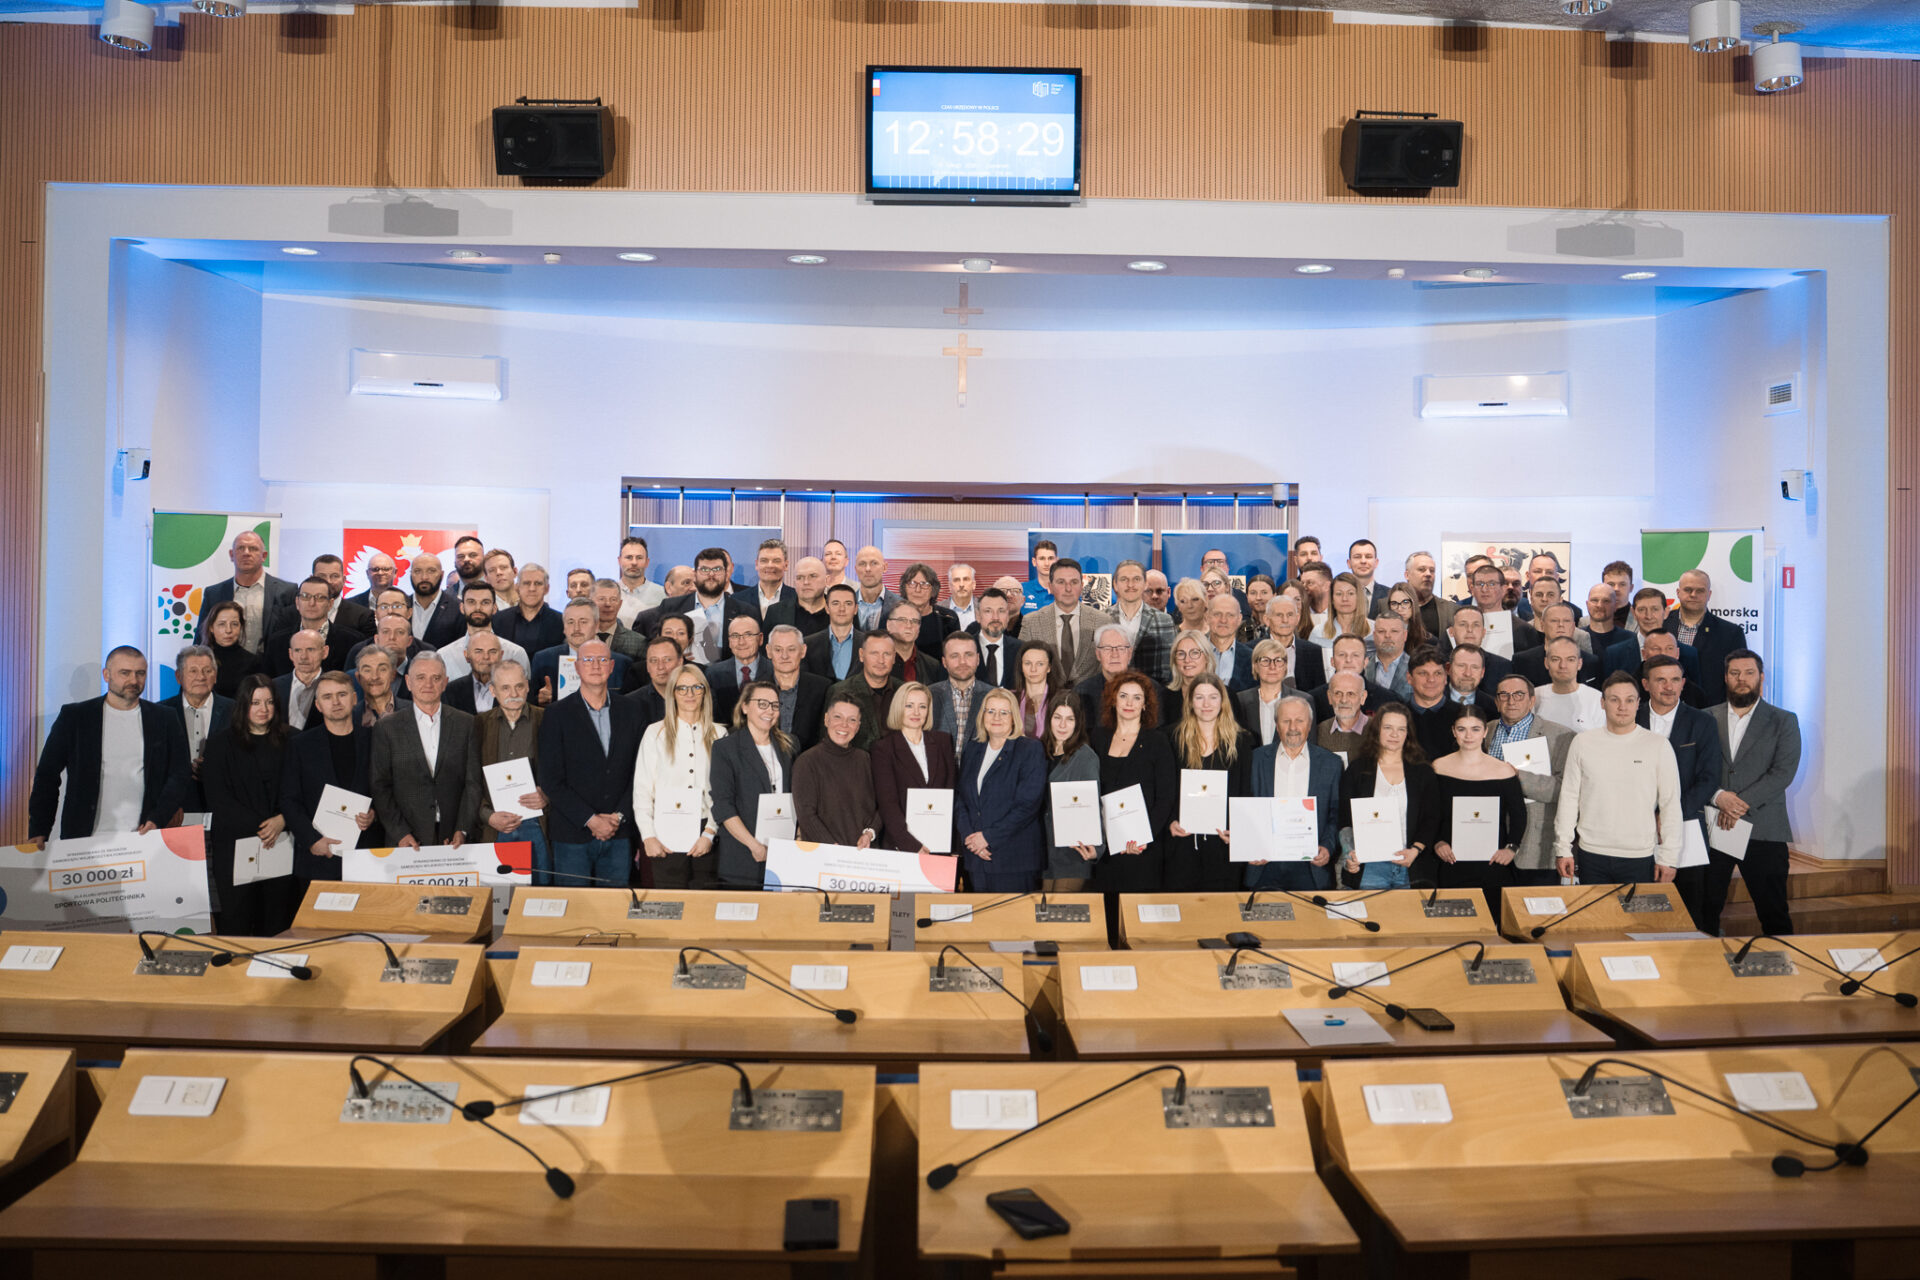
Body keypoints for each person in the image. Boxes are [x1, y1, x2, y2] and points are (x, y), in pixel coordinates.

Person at [28, 646, 191, 845]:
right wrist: (39, 829)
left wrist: (158, 817)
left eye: (140, 673)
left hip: (144, 839)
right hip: (83, 839)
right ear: (106, 675)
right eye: (125, 673)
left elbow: (179, 773)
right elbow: (47, 775)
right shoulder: (75, 717)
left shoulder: (165, 718)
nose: (133, 680)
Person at [1553, 671, 1682, 885]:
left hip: (1639, 855)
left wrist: (1669, 857)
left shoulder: (1658, 745)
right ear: (1602, 703)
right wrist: (1562, 847)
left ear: (1638, 703)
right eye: (1614, 700)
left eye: (1629, 700)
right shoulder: (1583, 743)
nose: (1622, 707)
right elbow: (1569, 797)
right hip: (1591, 853)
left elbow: (1670, 804)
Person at [1706, 650, 1801, 937]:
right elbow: (1695, 769)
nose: (1742, 679)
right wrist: (1719, 796)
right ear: (1726, 678)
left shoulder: (1783, 720)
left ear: (1761, 678)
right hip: (1714, 826)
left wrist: (1738, 804)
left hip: (1764, 829)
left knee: (1774, 914)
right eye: (1735, 673)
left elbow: (1783, 772)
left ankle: (1782, 964)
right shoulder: (1705, 717)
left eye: (1749, 673)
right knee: (1705, 911)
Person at [538, 639, 646, 888]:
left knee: (614, 908)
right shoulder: (556, 714)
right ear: (576, 667)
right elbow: (551, 779)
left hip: (619, 832)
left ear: (611, 666)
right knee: (575, 908)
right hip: (572, 834)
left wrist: (618, 816)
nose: (595, 666)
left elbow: (641, 772)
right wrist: (590, 819)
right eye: (588, 660)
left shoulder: (632, 710)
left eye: (602, 660)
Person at [200, 674, 296, 935]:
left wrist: (283, 820)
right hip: (234, 847)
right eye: (255, 702)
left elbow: (301, 791)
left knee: (277, 924)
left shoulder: (294, 740)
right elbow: (218, 798)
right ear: (243, 705)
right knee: (236, 923)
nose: (263, 709)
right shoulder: (219, 744)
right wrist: (264, 826)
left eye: (269, 702)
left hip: (282, 843)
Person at [1636, 653, 1725, 931]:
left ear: (1683, 683)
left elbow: (1709, 778)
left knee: (1689, 908)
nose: (1669, 686)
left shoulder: (1703, 721)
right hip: (1635, 826)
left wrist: (1669, 816)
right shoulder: (1631, 717)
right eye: (1660, 680)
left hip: (1687, 826)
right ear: (1645, 684)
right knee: (1639, 906)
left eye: (1675, 680)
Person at [281, 670, 382, 892]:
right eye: (327, 697)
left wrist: (374, 813)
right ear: (318, 705)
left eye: (342, 695)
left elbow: (385, 789)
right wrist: (312, 840)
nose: (335, 702)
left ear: (354, 699)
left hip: (366, 857)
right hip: (318, 858)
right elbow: (289, 800)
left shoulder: (374, 739)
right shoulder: (300, 745)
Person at [369, 653, 480, 851]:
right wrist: (400, 833)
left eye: (436, 678)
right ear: (408, 682)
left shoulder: (466, 723)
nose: (428, 684)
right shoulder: (387, 728)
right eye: (420, 677)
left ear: (445, 683)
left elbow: (472, 783)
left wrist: (462, 829)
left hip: (454, 839)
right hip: (407, 840)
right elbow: (380, 786)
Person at [632, 662, 724, 889]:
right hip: (665, 832)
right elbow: (642, 790)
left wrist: (709, 833)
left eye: (696, 687)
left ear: (705, 692)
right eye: (682, 688)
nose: (689, 694)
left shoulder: (719, 734)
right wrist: (648, 836)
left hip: (707, 831)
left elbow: (723, 792)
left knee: (704, 903)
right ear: (672, 693)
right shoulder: (655, 733)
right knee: (671, 903)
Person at [1429, 705, 1527, 917]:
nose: (1468, 736)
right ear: (1453, 731)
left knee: (1493, 922)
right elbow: (1430, 813)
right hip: (1451, 860)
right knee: (1453, 924)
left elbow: (1519, 815)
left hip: (1493, 862)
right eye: (1461, 729)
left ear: (1485, 732)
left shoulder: (1504, 770)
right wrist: (1438, 842)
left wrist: (1511, 848)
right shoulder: (1438, 767)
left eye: (1475, 729)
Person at [1089, 672, 1179, 895]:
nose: (1129, 703)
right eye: (1123, 696)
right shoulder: (1097, 738)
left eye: (1137, 697)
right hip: (1106, 848)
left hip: (1143, 849)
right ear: (1113, 700)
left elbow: (1166, 797)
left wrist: (1143, 836)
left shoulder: (1157, 741)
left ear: (1145, 704)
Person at [1163, 672, 1253, 892]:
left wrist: (1238, 830)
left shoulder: (1242, 741)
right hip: (1182, 844)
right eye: (1199, 697)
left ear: (1223, 702)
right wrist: (1170, 822)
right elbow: (1165, 790)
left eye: (1213, 697)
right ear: (1190, 702)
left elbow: (1245, 792)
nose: (1206, 704)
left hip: (1223, 845)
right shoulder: (1171, 738)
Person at [1245, 694, 1342, 892]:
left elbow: (1336, 813)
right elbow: (1245, 807)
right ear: (1276, 725)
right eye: (1286, 721)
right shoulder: (1255, 760)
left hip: (1311, 866)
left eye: (1299, 720)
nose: (1293, 728)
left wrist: (1327, 847)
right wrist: (1250, 845)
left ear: (1310, 724)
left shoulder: (1331, 763)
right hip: (1265, 864)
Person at [955, 687, 1048, 892]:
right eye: (991, 711)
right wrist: (970, 839)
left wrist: (987, 837)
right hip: (976, 858)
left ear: (1014, 717)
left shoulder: (1029, 750)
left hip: (1013, 859)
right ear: (982, 715)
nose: (996, 717)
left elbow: (1027, 806)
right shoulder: (972, 749)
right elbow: (961, 799)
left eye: (1004, 712)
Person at [1488, 674, 1575, 887]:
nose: (1511, 701)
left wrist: (1517, 777)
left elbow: (1564, 789)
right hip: (1490, 841)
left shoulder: (1560, 736)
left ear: (1532, 700)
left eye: (1519, 694)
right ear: (1496, 702)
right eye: (1504, 695)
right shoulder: (1485, 731)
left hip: (1535, 847)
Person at [709, 679, 797, 888]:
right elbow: (723, 806)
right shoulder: (725, 748)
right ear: (745, 707)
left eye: (774, 705)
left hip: (782, 853)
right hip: (742, 854)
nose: (770, 711)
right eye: (762, 704)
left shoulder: (789, 745)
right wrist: (754, 845)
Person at [474, 659, 549, 884]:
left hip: (538, 823)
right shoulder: (478, 725)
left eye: (519, 686)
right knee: (498, 896)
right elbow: (469, 780)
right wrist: (487, 815)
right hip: (495, 825)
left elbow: (562, 771)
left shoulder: (547, 719)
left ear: (527, 687)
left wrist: (547, 795)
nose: (513, 694)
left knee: (541, 893)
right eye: (505, 688)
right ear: (493, 690)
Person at [871, 683, 958, 853]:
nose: (916, 712)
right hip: (901, 846)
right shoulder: (883, 748)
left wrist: (949, 841)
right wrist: (912, 846)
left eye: (922, 706)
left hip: (939, 843)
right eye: (909, 706)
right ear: (898, 708)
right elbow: (888, 804)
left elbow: (950, 793)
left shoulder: (943, 742)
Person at [793, 693, 882, 847]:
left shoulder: (865, 760)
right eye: (838, 717)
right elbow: (806, 815)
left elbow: (883, 804)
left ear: (858, 726)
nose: (844, 725)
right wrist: (832, 847)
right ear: (826, 719)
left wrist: (870, 833)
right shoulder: (807, 762)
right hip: (824, 854)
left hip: (865, 852)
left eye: (852, 720)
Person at [194, 530, 295, 652]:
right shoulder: (213, 594)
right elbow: (202, 638)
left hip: (273, 663)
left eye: (253, 548)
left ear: (264, 556)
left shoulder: (287, 591)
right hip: (226, 663)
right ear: (231, 555)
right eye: (240, 548)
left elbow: (294, 635)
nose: (246, 553)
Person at [1041, 696, 1103, 892]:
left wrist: (1097, 848)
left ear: (1078, 723)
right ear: (1048, 718)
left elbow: (1094, 805)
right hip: (1041, 852)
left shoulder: (1086, 757)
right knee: (1041, 909)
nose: (1062, 725)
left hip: (1073, 853)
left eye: (1070, 719)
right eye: (1057, 717)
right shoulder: (1038, 750)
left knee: (1061, 908)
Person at [161, 644, 232, 812]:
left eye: (207, 671)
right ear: (178, 676)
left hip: (223, 805)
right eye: (193, 671)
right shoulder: (162, 713)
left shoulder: (235, 710)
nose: (201, 677)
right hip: (175, 807)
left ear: (215, 676)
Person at [1024, 558, 1114, 688]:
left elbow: (1109, 666)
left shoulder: (1103, 621)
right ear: (1050, 587)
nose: (1068, 588)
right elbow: (1022, 666)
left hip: (1090, 698)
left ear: (1082, 586)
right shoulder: (1031, 622)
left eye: (1074, 582)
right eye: (1061, 582)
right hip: (1045, 698)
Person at [1663, 570, 1743, 707]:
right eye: (1688, 590)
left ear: (1709, 595)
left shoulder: (1730, 633)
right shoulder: (1660, 625)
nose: (1693, 595)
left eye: (1700, 591)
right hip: (1662, 709)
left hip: (1710, 711)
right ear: (1678, 592)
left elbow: (1737, 677)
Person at [662, 548, 751, 666]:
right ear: (694, 575)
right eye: (704, 569)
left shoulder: (746, 611)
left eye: (717, 569)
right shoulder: (671, 607)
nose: (711, 574)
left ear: (726, 574)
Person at [531, 600, 632, 704]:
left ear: (597, 626)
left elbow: (628, 705)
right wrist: (540, 701)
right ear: (564, 627)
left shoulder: (621, 663)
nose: (576, 628)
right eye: (570, 622)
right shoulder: (543, 660)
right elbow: (530, 703)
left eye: (583, 622)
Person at [1604, 588, 1703, 688]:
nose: (1649, 616)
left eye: (1655, 609)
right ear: (1633, 613)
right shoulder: (1615, 654)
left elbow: (1694, 695)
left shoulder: (1688, 654)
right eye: (1642, 610)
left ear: (1666, 612)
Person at [265, 576, 363, 677]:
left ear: (330, 604)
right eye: (305, 596)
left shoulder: (352, 641)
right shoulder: (277, 642)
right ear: (297, 602)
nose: (312, 603)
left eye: (320, 597)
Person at [826, 632, 903, 752]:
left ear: (894, 657)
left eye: (886, 654)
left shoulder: (904, 691)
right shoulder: (840, 690)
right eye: (874, 653)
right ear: (861, 655)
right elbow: (827, 741)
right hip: (855, 762)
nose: (881, 660)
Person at [437, 589, 530, 681]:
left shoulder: (515, 653)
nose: (478, 608)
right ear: (462, 608)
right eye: (471, 602)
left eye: (485, 602)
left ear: (494, 608)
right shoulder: (444, 656)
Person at [764, 623, 827, 754]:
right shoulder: (756, 689)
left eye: (791, 649)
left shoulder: (822, 688)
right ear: (768, 651)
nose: (784, 656)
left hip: (811, 762)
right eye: (778, 650)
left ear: (803, 651)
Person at [1514, 603, 1601, 688]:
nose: (1561, 625)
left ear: (1573, 626)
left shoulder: (1592, 662)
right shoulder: (1522, 661)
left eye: (1566, 621)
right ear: (1542, 625)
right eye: (1554, 621)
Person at [708, 615, 771, 725]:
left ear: (760, 639)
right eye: (735, 636)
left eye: (748, 635)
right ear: (729, 641)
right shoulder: (713, 674)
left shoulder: (774, 671)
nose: (741, 642)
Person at [1534, 636, 1606, 733]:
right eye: (1556, 659)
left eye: (1570, 659)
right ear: (1546, 663)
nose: (1563, 665)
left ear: (1579, 663)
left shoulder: (1597, 700)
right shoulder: (1534, 697)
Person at [928, 630, 986, 743]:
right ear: (944, 662)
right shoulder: (928, 696)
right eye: (955, 656)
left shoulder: (993, 696)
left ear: (978, 659)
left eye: (968, 655)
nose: (962, 661)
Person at [496, 563, 565, 657]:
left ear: (546, 589)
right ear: (517, 587)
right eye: (526, 583)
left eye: (538, 583)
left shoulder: (561, 621)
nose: (532, 589)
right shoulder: (499, 620)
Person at [201, 600, 267, 698]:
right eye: (222, 624)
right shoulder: (198, 659)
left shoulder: (253, 662)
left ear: (241, 626)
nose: (228, 630)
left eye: (234, 624)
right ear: (211, 627)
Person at [1261, 595, 1326, 691]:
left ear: (1297, 618)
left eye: (1290, 615)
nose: (1285, 620)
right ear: (1267, 620)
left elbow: (1319, 691)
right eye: (1279, 615)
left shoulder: (1313, 651)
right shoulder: (1252, 650)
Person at [802, 583, 864, 682]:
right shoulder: (808, 644)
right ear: (827, 608)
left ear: (856, 609)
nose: (842, 609)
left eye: (848, 603)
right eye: (835, 603)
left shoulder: (868, 643)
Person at [1238, 637, 1295, 746]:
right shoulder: (1240, 701)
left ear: (1285, 666)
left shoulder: (1302, 701)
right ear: (1255, 666)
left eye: (1278, 660)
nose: (1272, 666)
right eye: (1265, 660)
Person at [898, 562, 960, 660]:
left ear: (933, 590)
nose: (918, 590)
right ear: (904, 588)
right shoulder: (893, 617)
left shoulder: (948, 618)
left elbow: (955, 656)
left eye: (924, 584)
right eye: (912, 584)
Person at [407, 551, 467, 650]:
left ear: (442, 575)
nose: (424, 577)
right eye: (417, 571)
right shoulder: (401, 606)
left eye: (431, 571)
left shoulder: (458, 610)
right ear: (411, 574)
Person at [273, 630, 330, 730]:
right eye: (298, 650)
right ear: (291, 654)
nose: (303, 657)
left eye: (310, 649)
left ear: (324, 652)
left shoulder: (333, 687)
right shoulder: (273, 686)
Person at [969, 587, 1024, 690]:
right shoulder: (964, 648)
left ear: (1007, 616)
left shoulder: (1021, 650)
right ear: (978, 616)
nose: (995, 617)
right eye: (988, 611)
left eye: (1001, 611)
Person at [1202, 594, 1256, 693]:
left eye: (1230, 615)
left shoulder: (1252, 658)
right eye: (1217, 614)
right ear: (1207, 617)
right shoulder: (1193, 653)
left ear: (1239, 619)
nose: (1223, 620)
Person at [626, 634, 683, 726]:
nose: (660, 667)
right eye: (654, 661)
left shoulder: (696, 698)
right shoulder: (630, 704)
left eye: (667, 660)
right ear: (647, 666)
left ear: (680, 662)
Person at [737, 537, 797, 624]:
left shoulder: (797, 598)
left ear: (786, 565)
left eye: (776, 561)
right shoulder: (738, 600)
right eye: (764, 561)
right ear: (756, 565)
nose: (770, 565)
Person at [1014, 639, 1063, 740]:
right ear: (1021, 667)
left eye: (1040, 664)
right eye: (1028, 663)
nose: (1033, 669)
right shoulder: (1010, 698)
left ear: (1049, 667)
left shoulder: (1061, 699)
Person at [1316, 672, 1370, 759]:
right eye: (1338, 693)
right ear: (1329, 697)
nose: (1344, 700)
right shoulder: (1319, 731)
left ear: (1363, 697)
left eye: (1351, 694)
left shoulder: (1378, 729)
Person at [1403, 550, 1456, 640]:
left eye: (1432, 571)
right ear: (1407, 575)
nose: (1428, 574)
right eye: (1421, 569)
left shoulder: (1451, 610)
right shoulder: (1387, 606)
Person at [883, 602, 938, 686]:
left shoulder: (932, 665)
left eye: (914, 621)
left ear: (919, 628)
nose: (909, 626)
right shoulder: (877, 661)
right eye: (902, 620)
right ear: (889, 625)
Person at [615, 535, 665, 626]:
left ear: (647, 562)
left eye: (639, 558)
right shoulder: (609, 593)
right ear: (619, 561)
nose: (634, 563)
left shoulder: (662, 595)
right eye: (629, 557)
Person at [851, 545, 903, 632]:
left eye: (874, 563)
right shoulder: (846, 605)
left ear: (885, 567)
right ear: (856, 569)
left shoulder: (900, 605)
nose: (868, 569)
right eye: (862, 564)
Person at [352, 644, 406, 727]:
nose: (375, 677)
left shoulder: (414, 711)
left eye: (382, 669)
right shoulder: (349, 716)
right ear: (358, 677)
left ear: (393, 675)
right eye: (367, 670)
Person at [777, 556, 831, 637]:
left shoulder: (841, 611)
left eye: (813, 576)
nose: (806, 582)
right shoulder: (776, 612)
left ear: (827, 580)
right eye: (799, 578)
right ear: (794, 582)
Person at [1364, 612, 1413, 700]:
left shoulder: (1416, 667)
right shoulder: (1362, 666)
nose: (1387, 636)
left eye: (1394, 631)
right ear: (1374, 636)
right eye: (1381, 631)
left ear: (1405, 635)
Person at [1382, 581, 1432, 651]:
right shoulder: (1381, 638)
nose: (1399, 608)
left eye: (1405, 602)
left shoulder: (1428, 641)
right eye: (1394, 603)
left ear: (1413, 604)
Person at [1347, 538, 1391, 616]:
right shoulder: (1337, 595)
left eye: (1368, 557)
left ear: (1376, 563)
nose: (1363, 561)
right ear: (1349, 563)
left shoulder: (1390, 595)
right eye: (1357, 557)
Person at [482, 548, 520, 613]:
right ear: (486, 579)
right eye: (492, 570)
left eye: (503, 567)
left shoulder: (532, 602)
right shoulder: (484, 611)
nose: (498, 573)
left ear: (515, 572)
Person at [946, 562, 979, 633]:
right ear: (949, 586)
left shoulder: (983, 607)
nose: (961, 584)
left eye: (966, 579)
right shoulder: (937, 610)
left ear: (974, 584)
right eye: (956, 580)